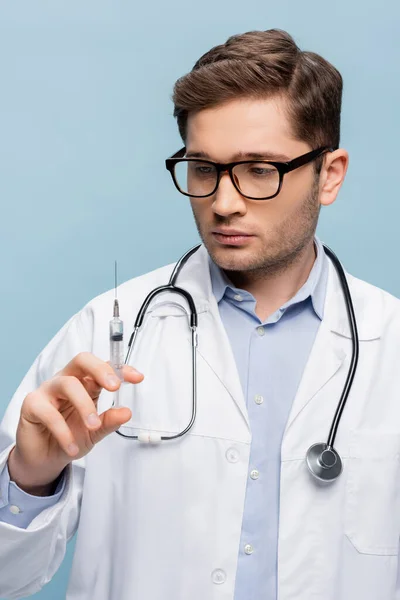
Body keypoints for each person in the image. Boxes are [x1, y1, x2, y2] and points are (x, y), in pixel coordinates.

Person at [0, 28, 399, 600]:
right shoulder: (107, 333)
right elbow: (8, 575)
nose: (223, 201)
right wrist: (29, 480)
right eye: (203, 168)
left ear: (329, 174)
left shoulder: (393, 346)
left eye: (261, 169)